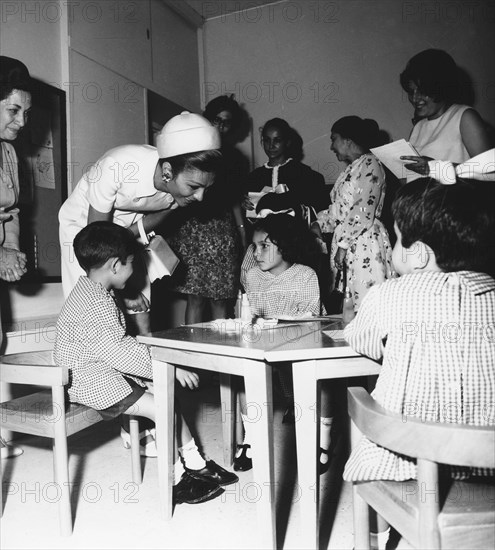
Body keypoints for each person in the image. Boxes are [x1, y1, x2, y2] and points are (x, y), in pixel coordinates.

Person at [342, 177, 495, 549]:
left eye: (395, 240)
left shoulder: (387, 294)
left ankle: (376, 536)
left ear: (419, 254)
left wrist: (354, 318)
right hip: (487, 457)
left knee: (365, 412)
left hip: (406, 458)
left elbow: (361, 340)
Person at [54, 222, 238, 505]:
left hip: (98, 371)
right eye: (131, 263)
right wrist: (167, 368)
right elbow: (118, 351)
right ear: (115, 265)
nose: (135, 270)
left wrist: (157, 372)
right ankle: (176, 480)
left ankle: (195, 461)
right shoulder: (96, 302)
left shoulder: (91, 291)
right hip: (91, 382)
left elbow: (116, 347)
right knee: (162, 404)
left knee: (164, 394)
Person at [59, 111, 222, 334]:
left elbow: (158, 215)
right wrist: (125, 292)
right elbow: (97, 242)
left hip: (125, 232)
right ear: (167, 172)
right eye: (194, 187)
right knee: (92, 306)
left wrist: (129, 237)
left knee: (141, 311)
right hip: (86, 229)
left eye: (206, 188)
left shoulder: (180, 191)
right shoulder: (116, 166)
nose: (200, 197)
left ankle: (144, 364)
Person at [234, 214, 332, 472]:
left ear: (284, 245)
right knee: (245, 374)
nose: (257, 253)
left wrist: (274, 322)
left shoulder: (304, 275)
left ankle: (323, 439)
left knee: (322, 381)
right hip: (266, 345)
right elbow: (250, 313)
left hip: (303, 345)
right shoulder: (253, 277)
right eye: (254, 246)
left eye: (265, 245)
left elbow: (311, 319)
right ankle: (251, 438)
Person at [163, 95, 249, 323]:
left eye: (226, 122)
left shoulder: (234, 158)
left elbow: (234, 198)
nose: (220, 126)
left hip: (222, 232)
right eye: (216, 120)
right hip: (194, 230)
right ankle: (194, 351)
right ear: (206, 119)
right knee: (196, 297)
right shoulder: (191, 150)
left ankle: (222, 351)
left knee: (221, 297)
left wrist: (241, 229)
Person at [313, 116, 394, 311]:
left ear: (347, 140)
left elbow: (363, 211)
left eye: (334, 139)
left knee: (367, 302)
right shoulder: (353, 168)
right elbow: (339, 210)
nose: (332, 146)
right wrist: (319, 223)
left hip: (364, 242)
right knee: (349, 304)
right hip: (349, 242)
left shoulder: (371, 164)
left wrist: (343, 245)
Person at [0, 56, 31, 459]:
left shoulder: (8, 154)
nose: (22, 121)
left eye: (25, 112)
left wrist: (9, 246)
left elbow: (13, 211)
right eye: (13, 110)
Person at [398, 49, 491, 179]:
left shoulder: (464, 117)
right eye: (410, 91)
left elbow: (490, 173)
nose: (414, 98)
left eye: (422, 91)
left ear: (441, 88)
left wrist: (436, 168)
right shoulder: (418, 128)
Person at [244, 117, 328, 215]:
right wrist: (245, 206)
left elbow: (317, 211)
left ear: (287, 142)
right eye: (267, 140)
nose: (271, 146)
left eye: (277, 140)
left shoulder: (305, 174)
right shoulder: (254, 177)